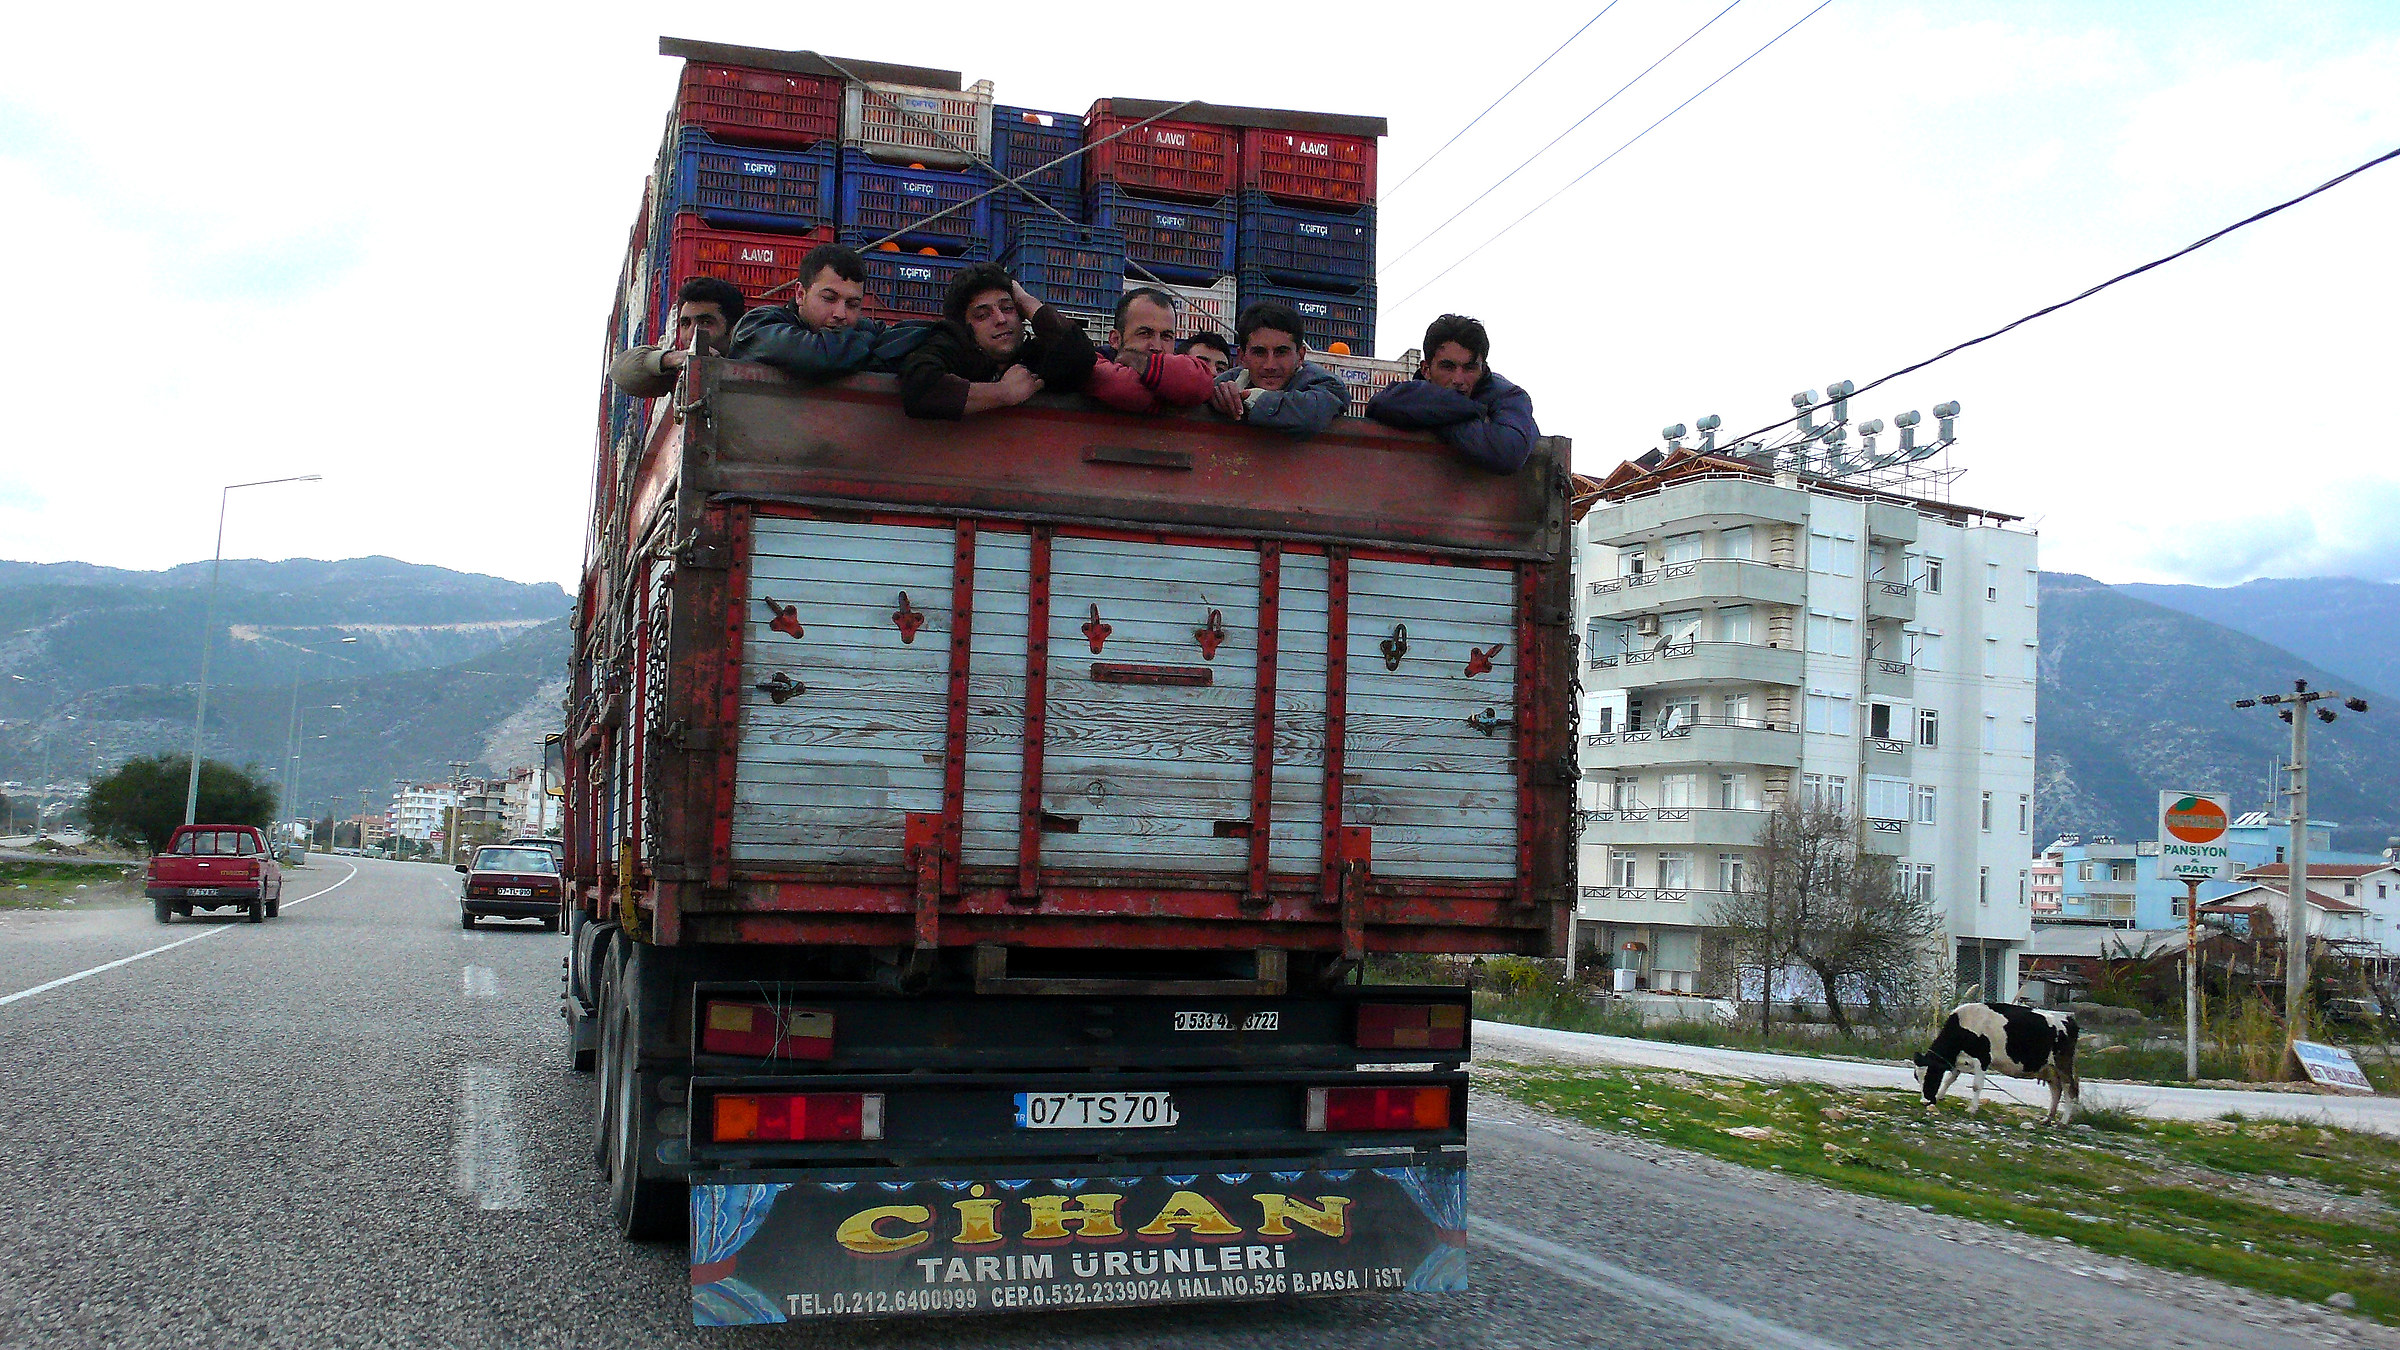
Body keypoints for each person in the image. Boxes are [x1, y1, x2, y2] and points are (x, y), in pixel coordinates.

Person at [898, 262, 1097, 420]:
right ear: (964, 327)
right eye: (983, 315)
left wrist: (1026, 301)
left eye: (1008, 308)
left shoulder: (1032, 358)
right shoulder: (951, 347)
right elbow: (920, 387)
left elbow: (1081, 356)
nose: (1001, 319)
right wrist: (1003, 392)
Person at [1364, 314, 1539, 473]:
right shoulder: (1412, 393)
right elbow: (1379, 404)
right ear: (1426, 369)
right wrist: (1469, 413)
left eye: (1469, 368)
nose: (1458, 379)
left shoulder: (1509, 396)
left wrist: (1431, 417)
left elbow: (1508, 453)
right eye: (1448, 367)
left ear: (1483, 369)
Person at [727, 243, 929, 379]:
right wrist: (870, 344)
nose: (840, 313)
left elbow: (908, 336)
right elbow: (819, 356)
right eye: (829, 299)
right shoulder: (757, 326)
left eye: (852, 304)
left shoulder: (861, 330)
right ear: (800, 294)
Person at [1207, 301, 1350, 440]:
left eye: (1281, 352)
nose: (1270, 365)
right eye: (1259, 353)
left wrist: (1254, 399)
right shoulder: (1227, 381)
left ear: (1300, 356)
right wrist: (1218, 395)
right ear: (1242, 357)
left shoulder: (1327, 384)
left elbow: (1311, 414)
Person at [1084, 288, 1219, 415]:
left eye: (1166, 336)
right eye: (1145, 333)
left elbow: (1202, 382)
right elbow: (1124, 389)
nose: (1157, 346)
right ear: (1115, 339)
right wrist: (1171, 395)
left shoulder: (1181, 365)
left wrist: (1137, 361)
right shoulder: (1092, 363)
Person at [610, 276, 744, 397]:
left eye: (705, 323)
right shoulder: (680, 372)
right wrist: (670, 359)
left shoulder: (753, 365)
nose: (692, 334)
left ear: (733, 329)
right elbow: (620, 372)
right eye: (685, 324)